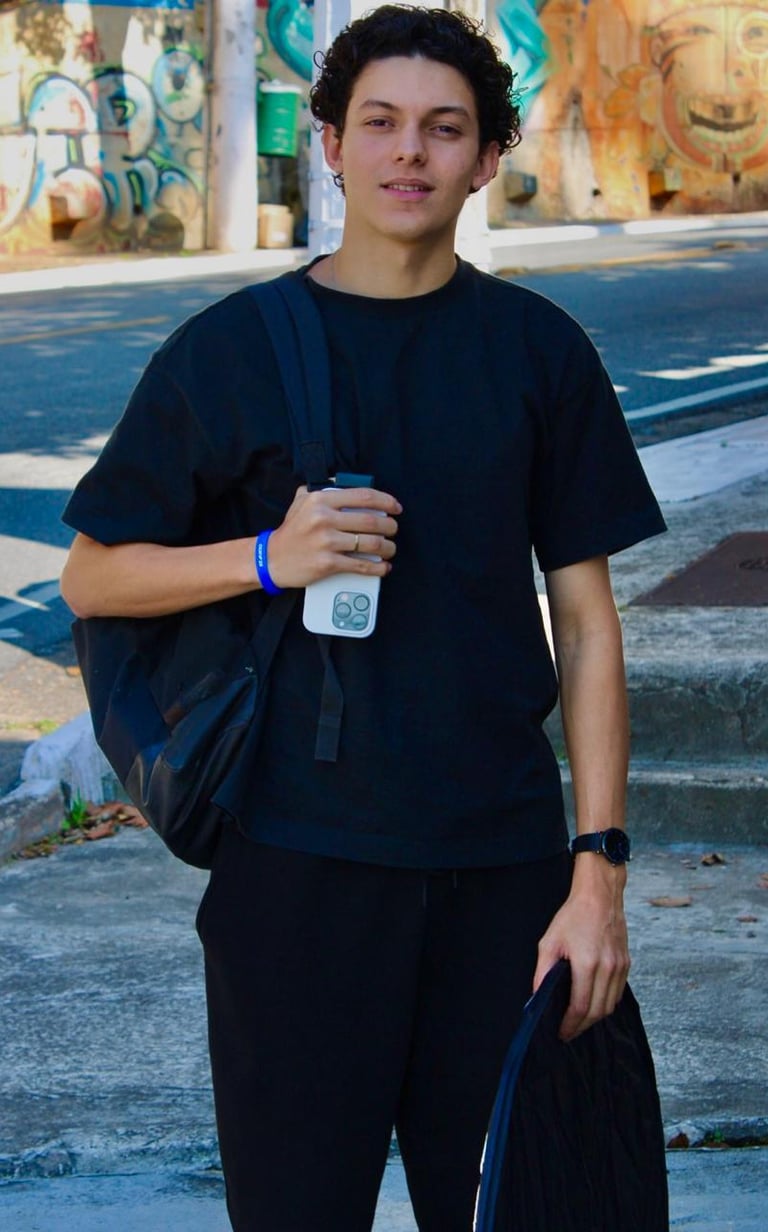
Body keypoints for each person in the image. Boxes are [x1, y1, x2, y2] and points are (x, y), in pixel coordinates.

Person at [60, 6, 666, 1229]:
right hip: (297, 871)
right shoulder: (229, 351)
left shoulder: (539, 353)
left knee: (526, 1209)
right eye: (379, 123)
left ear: (486, 157)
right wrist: (268, 558)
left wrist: (596, 873)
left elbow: (589, 622)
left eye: (444, 128)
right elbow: (95, 576)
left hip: (503, 873)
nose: (409, 153)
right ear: (330, 144)